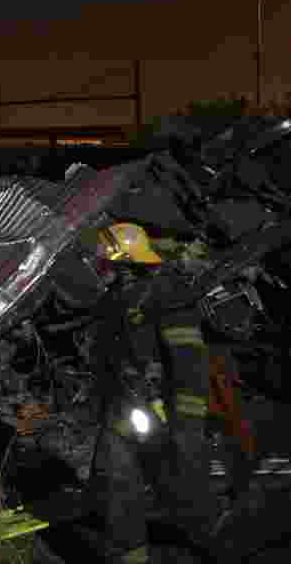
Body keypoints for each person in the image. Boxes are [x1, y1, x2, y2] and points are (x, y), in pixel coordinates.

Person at [85, 223, 221, 563]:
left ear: (124, 261)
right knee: (116, 484)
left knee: (180, 482)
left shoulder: (166, 294)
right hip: (124, 410)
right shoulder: (111, 300)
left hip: (164, 409)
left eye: (105, 260)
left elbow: (188, 358)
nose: (97, 265)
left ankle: (213, 540)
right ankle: (129, 555)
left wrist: (187, 421)